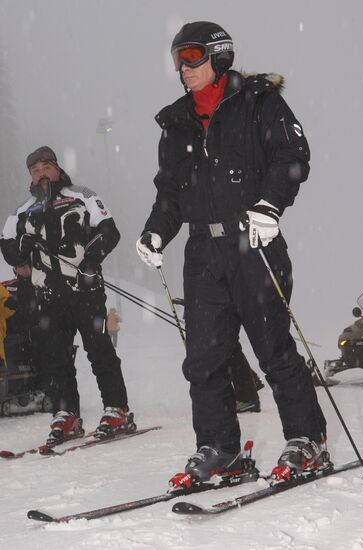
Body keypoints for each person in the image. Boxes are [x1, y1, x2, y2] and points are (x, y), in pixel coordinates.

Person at [136, 21, 326, 481]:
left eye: (193, 55)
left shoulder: (258, 102)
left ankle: (307, 440)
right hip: (203, 253)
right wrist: (156, 231)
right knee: (203, 359)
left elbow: (292, 155)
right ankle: (220, 448)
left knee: (274, 350)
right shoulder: (176, 120)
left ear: (219, 55)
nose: (184, 67)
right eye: (178, 57)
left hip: (253, 242)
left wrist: (270, 205)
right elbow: (170, 192)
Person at [1, 146, 135, 443]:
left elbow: (109, 231)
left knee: (100, 350)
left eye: (45, 167)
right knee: (54, 358)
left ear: (57, 169)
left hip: (86, 291)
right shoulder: (21, 210)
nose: (40, 173)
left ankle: (117, 409)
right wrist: (21, 247)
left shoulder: (82, 195)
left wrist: (90, 262)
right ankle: (67, 415)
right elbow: (8, 247)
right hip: (46, 296)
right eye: (34, 170)